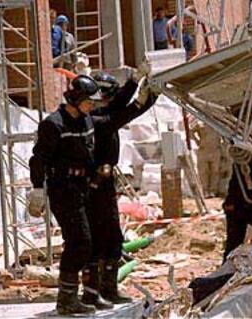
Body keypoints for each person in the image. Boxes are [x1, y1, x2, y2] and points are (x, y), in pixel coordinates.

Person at [28, 74, 153, 315]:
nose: (92, 106)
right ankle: (67, 300)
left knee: (86, 242)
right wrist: (37, 188)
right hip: (62, 189)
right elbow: (39, 159)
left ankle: (74, 297)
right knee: (80, 242)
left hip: (82, 188)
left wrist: (141, 101)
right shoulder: (54, 125)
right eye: (88, 102)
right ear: (76, 99)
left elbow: (114, 117)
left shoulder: (86, 121)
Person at [81, 71, 157, 308]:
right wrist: (141, 99)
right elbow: (120, 114)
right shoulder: (94, 119)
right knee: (99, 239)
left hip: (104, 184)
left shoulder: (102, 112)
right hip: (93, 187)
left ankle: (108, 288)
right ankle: (95, 291)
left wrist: (142, 89)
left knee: (113, 237)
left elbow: (119, 106)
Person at [222, 159, 252, 262]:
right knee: (234, 242)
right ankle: (226, 271)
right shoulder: (243, 158)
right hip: (237, 204)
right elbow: (236, 183)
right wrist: (230, 202)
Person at [192, 123, 222, 198]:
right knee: (203, 172)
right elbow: (191, 131)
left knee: (215, 171)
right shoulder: (200, 124)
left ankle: (213, 190)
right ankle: (205, 191)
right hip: (204, 150)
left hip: (215, 150)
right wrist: (197, 141)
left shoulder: (217, 124)